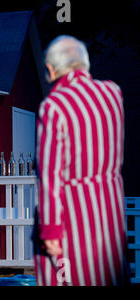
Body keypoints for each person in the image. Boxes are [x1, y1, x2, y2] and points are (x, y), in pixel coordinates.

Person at [34, 35, 129, 286]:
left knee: (68, 279)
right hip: (110, 213)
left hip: (74, 219)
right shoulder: (113, 93)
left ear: (51, 69)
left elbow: (50, 175)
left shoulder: (54, 106)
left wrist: (51, 231)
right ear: (84, 64)